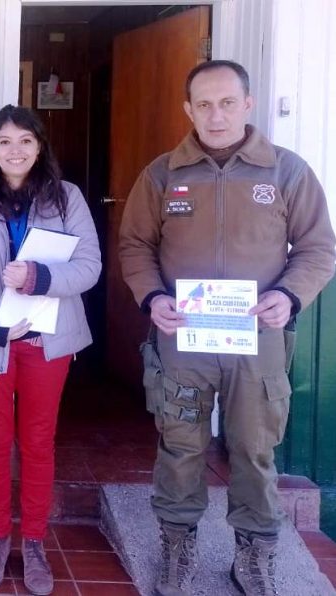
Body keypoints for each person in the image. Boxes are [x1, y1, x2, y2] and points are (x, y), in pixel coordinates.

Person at [118, 60, 336, 596]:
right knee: (180, 446)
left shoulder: (285, 172)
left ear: (247, 104)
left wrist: (289, 296)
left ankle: (255, 555)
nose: (216, 115)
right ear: (188, 109)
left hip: (256, 342)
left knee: (254, 451)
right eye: (204, 104)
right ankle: (176, 547)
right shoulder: (163, 173)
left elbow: (317, 248)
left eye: (227, 102)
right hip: (182, 338)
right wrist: (151, 297)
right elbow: (135, 246)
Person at [0, 105, 101, 596]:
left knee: (37, 443)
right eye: (5, 141)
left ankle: (32, 541)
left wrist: (39, 278)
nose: (15, 150)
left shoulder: (66, 198)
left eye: (25, 141)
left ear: (40, 147)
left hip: (47, 344)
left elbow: (90, 265)